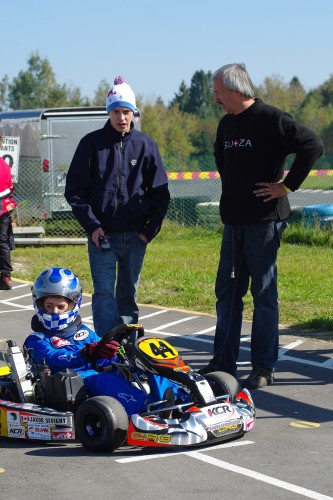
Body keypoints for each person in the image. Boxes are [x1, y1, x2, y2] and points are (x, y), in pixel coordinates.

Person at [198, 63, 324, 390]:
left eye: (219, 93)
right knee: (227, 293)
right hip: (234, 223)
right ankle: (222, 363)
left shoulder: (272, 119)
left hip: (264, 223)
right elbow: (221, 161)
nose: (216, 100)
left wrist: (287, 186)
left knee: (263, 293)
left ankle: (263, 367)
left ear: (237, 90)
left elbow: (313, 145)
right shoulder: (226, 125)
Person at [65, 76, 170, 338]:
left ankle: (127, 345)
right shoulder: (91, 144)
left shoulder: (145, 145)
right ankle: (104, 347)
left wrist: (149, 231)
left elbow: (160, 192)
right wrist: (93, 226)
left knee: (128, 293)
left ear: (133, 112)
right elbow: (75, 191)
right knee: (103, 292)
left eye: (126, 111)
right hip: (102, 236)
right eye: (116, 111)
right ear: (108, 112)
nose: (121, 117)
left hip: (135, 236)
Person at [23, 267, 188, 416]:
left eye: (61, 307)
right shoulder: (37, 339)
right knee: (105, 380)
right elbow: (55, 358)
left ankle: (181, 396)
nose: (55, 311)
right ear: (39, 305)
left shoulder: (85, 331)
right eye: (49, 306)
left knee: (145, 367)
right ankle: (149, 409)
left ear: (73, 304)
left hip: (103, 369)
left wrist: (120, 352)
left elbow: (101, 347)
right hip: (73, 381)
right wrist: (87, 353)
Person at [0, 135, 17, 290]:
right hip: (5, 207)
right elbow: (10, 187)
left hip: (2, 207)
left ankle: (5, 276)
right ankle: (6, 276)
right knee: (3, 241)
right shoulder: (4, 164)